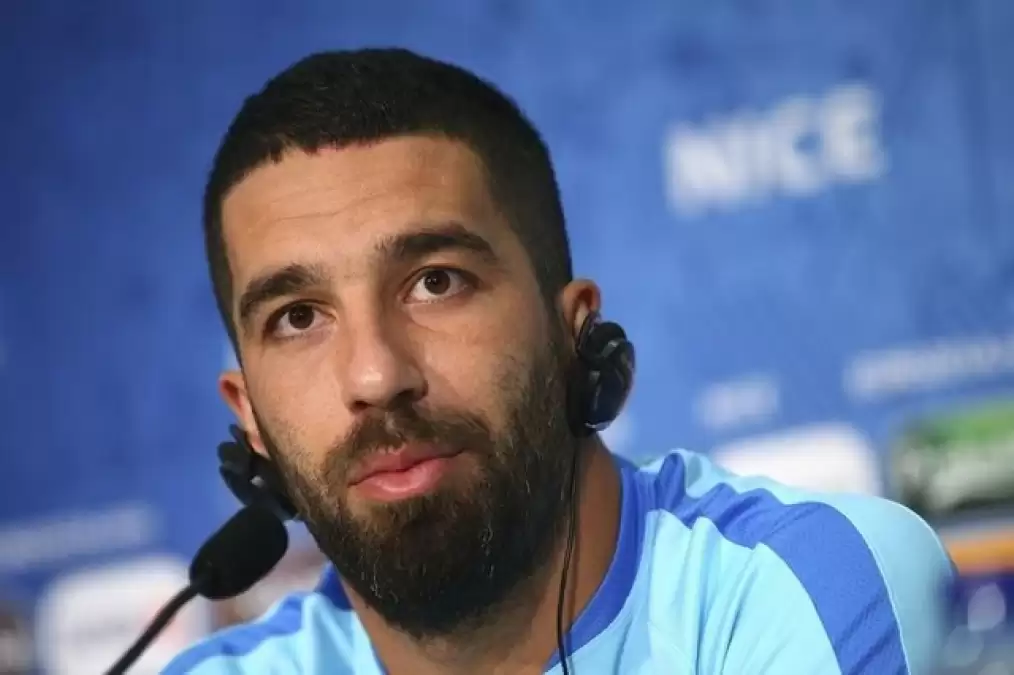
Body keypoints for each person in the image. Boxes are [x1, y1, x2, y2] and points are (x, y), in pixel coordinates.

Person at [164, 48, 954, 675]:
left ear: (576, 332)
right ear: (250, 419)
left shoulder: (805, 587)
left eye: (436, 282)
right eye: (299, 317)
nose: (375, 375)